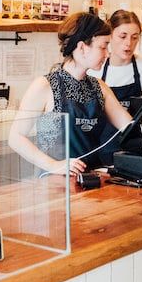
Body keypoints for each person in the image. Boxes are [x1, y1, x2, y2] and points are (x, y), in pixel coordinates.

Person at [8, 12, 132, 177]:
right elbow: (16, 138)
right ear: (82, 47)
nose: (107, 54)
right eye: (103, 47)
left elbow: (130, 128)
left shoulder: (99, 87)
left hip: (91, 181)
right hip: (54, 183)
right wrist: (54, 165)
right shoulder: (44, 86)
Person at [87, 9, 142, 110]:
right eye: (122, 36)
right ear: (110, 36)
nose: (129, 43)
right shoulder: (93, 71)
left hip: (135, 125)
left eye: (134, 37)